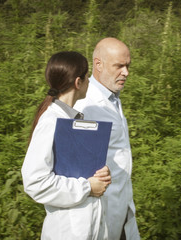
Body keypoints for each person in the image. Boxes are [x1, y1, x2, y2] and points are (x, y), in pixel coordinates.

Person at [21, 51, 112, 239]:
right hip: (66, 232)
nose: (89, 82)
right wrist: (87, 187)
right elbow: (35, 182)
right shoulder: (51, 121)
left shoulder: (72, 121)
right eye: (88, 77)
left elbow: (76, 171)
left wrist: (100, 175)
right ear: (78, 83)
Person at [74, 38, 140, 240]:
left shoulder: (113, 98)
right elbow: (73, 166)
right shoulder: (84, 105)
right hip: (97, 212)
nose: (126, 72)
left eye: (127, 66)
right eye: (119, 66)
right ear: (98, 64)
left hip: (121, 206)